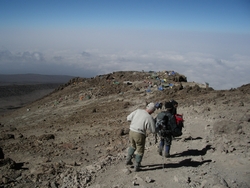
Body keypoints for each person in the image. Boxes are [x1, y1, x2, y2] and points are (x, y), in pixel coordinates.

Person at [125, 102, 156, 172]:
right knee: (140, 150)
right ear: (152, 110)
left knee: (132, 146)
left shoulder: (138, 111)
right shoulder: (149, 117)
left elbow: (128, 118)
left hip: (131, 131)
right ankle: (137, 166)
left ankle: (128, 160)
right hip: (139, 134)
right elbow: (153, 130)